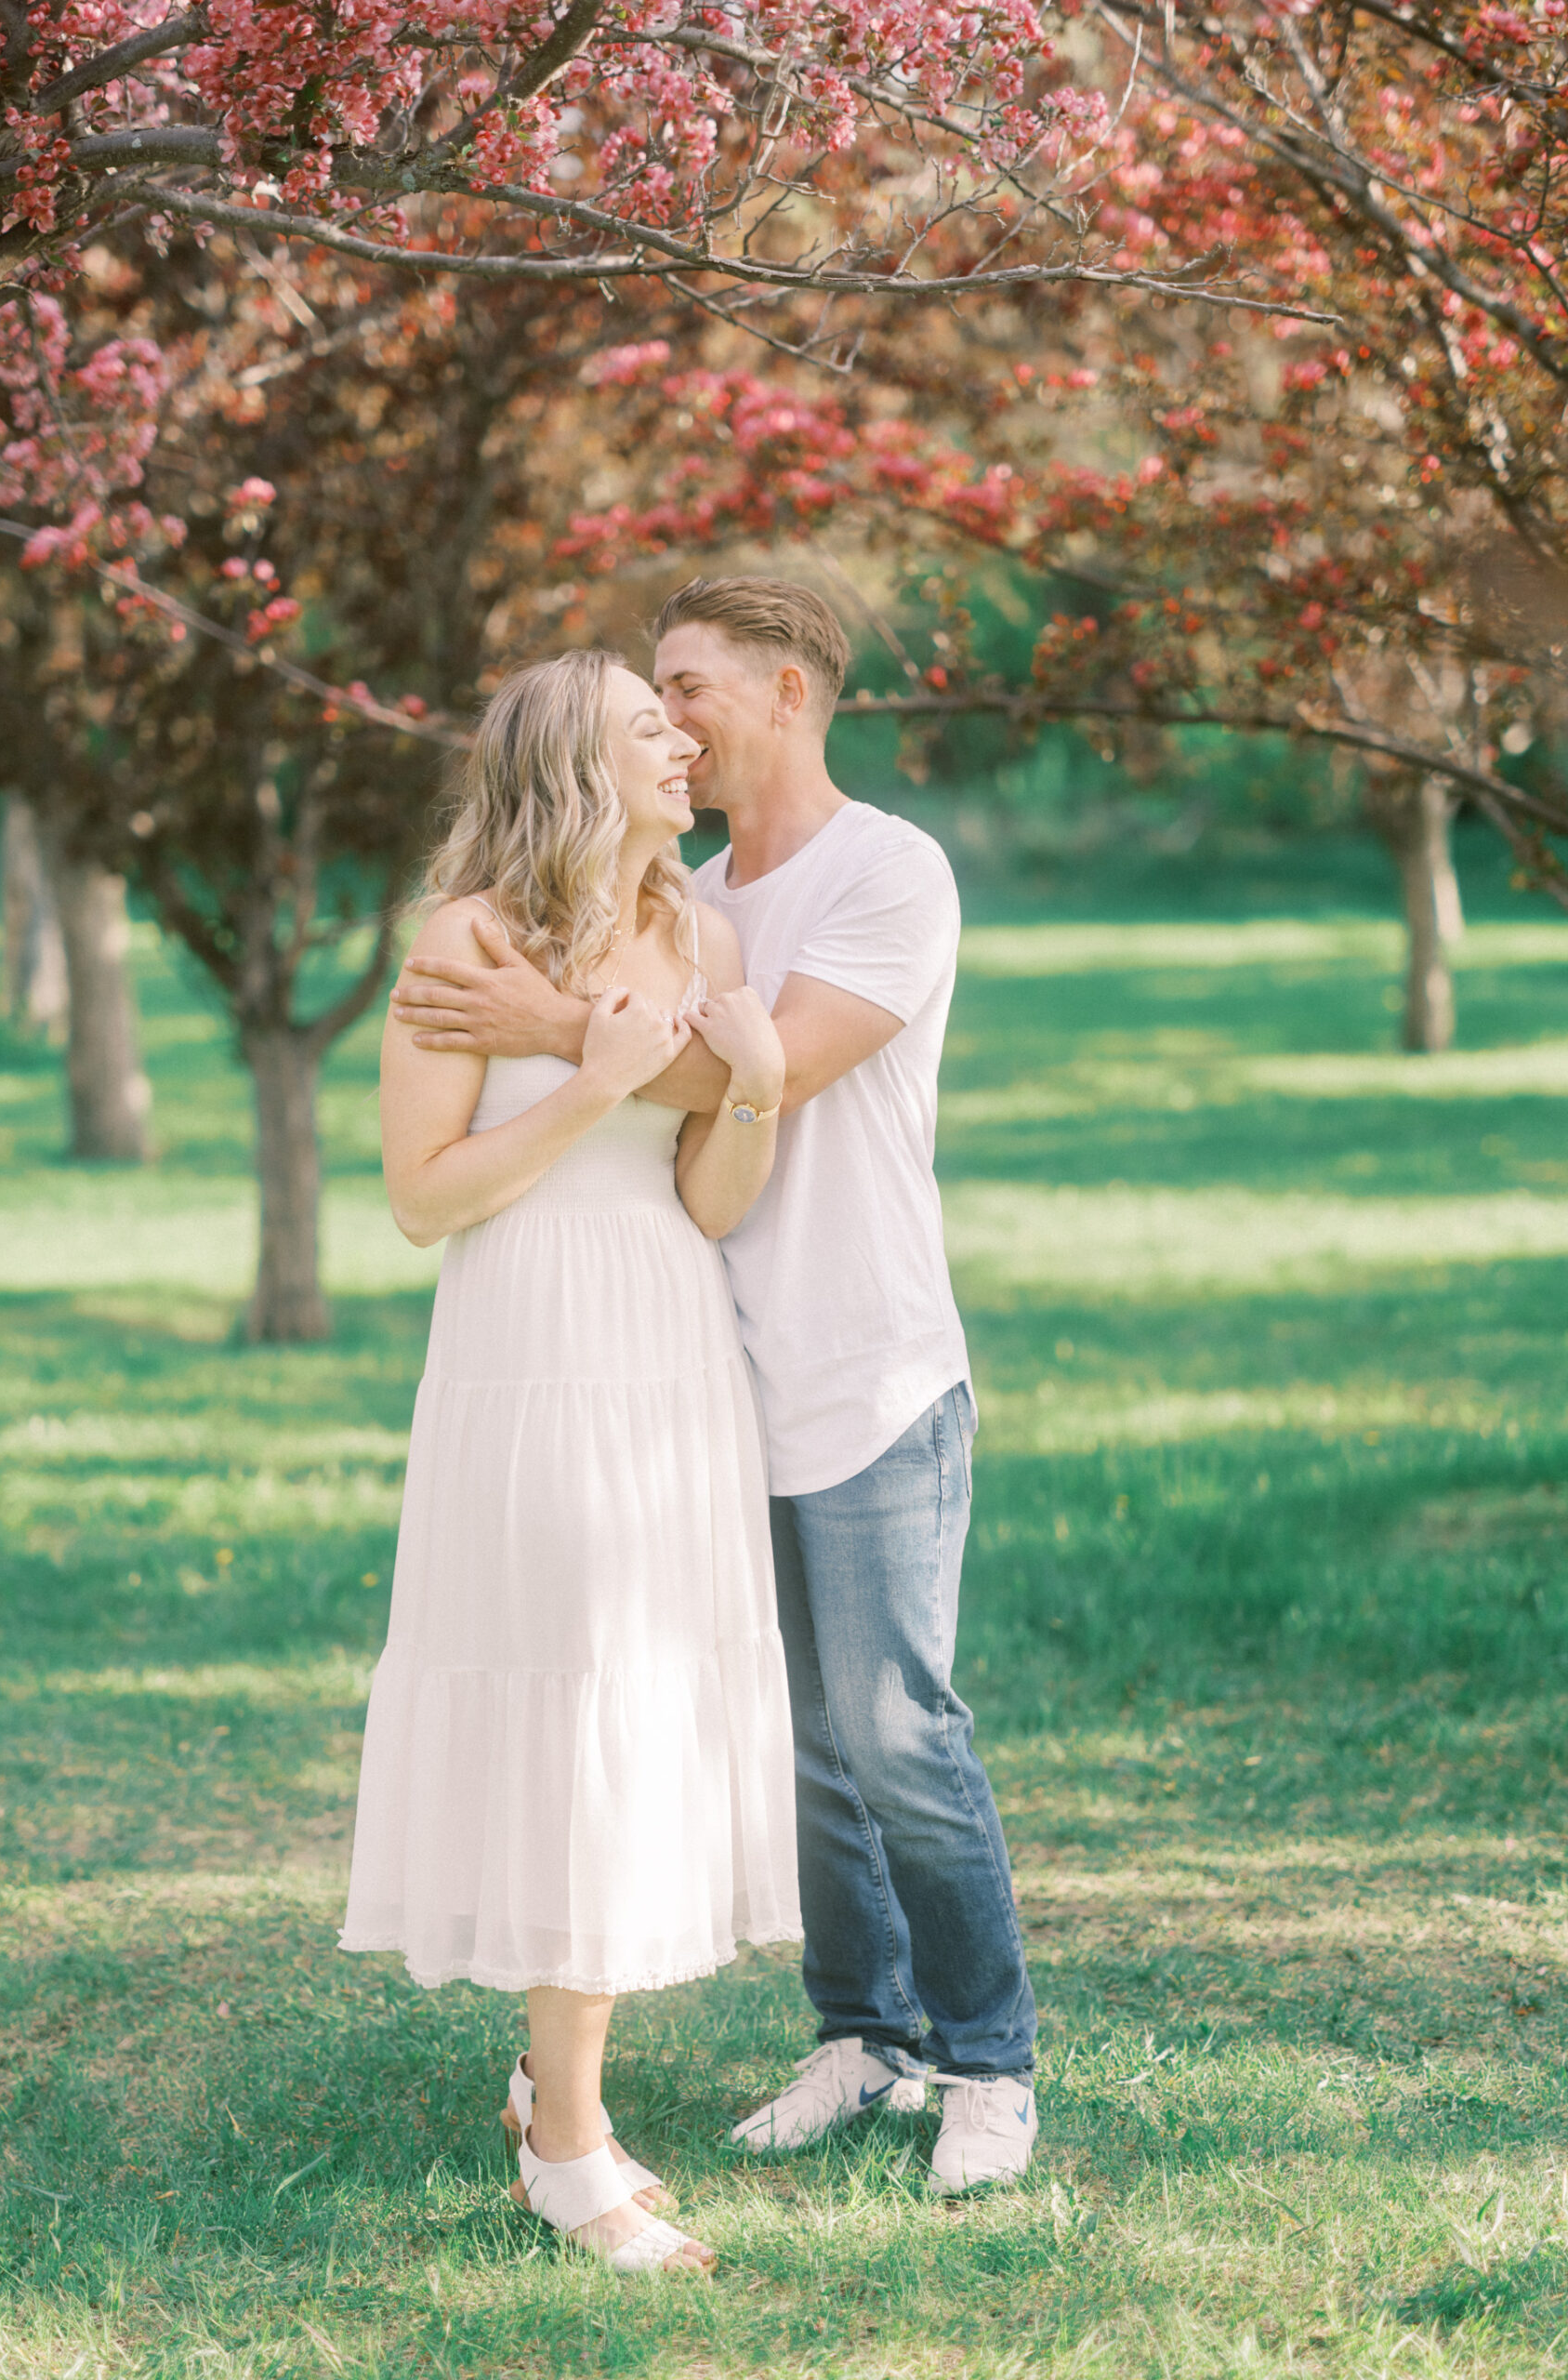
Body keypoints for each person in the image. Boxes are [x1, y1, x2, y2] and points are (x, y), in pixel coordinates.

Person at [391, 577, 1039, 2196]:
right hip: (692, 1360)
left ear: (793, 689)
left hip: (862, 1354)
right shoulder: (693, 892)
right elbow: (665, 1114)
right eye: (649, 696)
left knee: (895, 1725)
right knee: (801, 1733)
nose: (674, 718)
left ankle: (988, 2062)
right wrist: (598, 1027)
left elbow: (782, 1069)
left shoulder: (885, 871)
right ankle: (861, 2033)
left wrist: (556, 1027)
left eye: (691, 685)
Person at [340, 646, 801, 2278]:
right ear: (569, 771)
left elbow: (709, 1202)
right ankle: (571, 2149)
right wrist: (593, 1081)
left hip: (670, 1348)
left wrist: (746, 1090)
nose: (682, 740)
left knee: (640, 1694)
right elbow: (422, 1195)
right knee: (574, 1696)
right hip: (527, 1356)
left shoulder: (705, 932)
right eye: (644, 725)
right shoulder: (461, 942)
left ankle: (559, 2087)